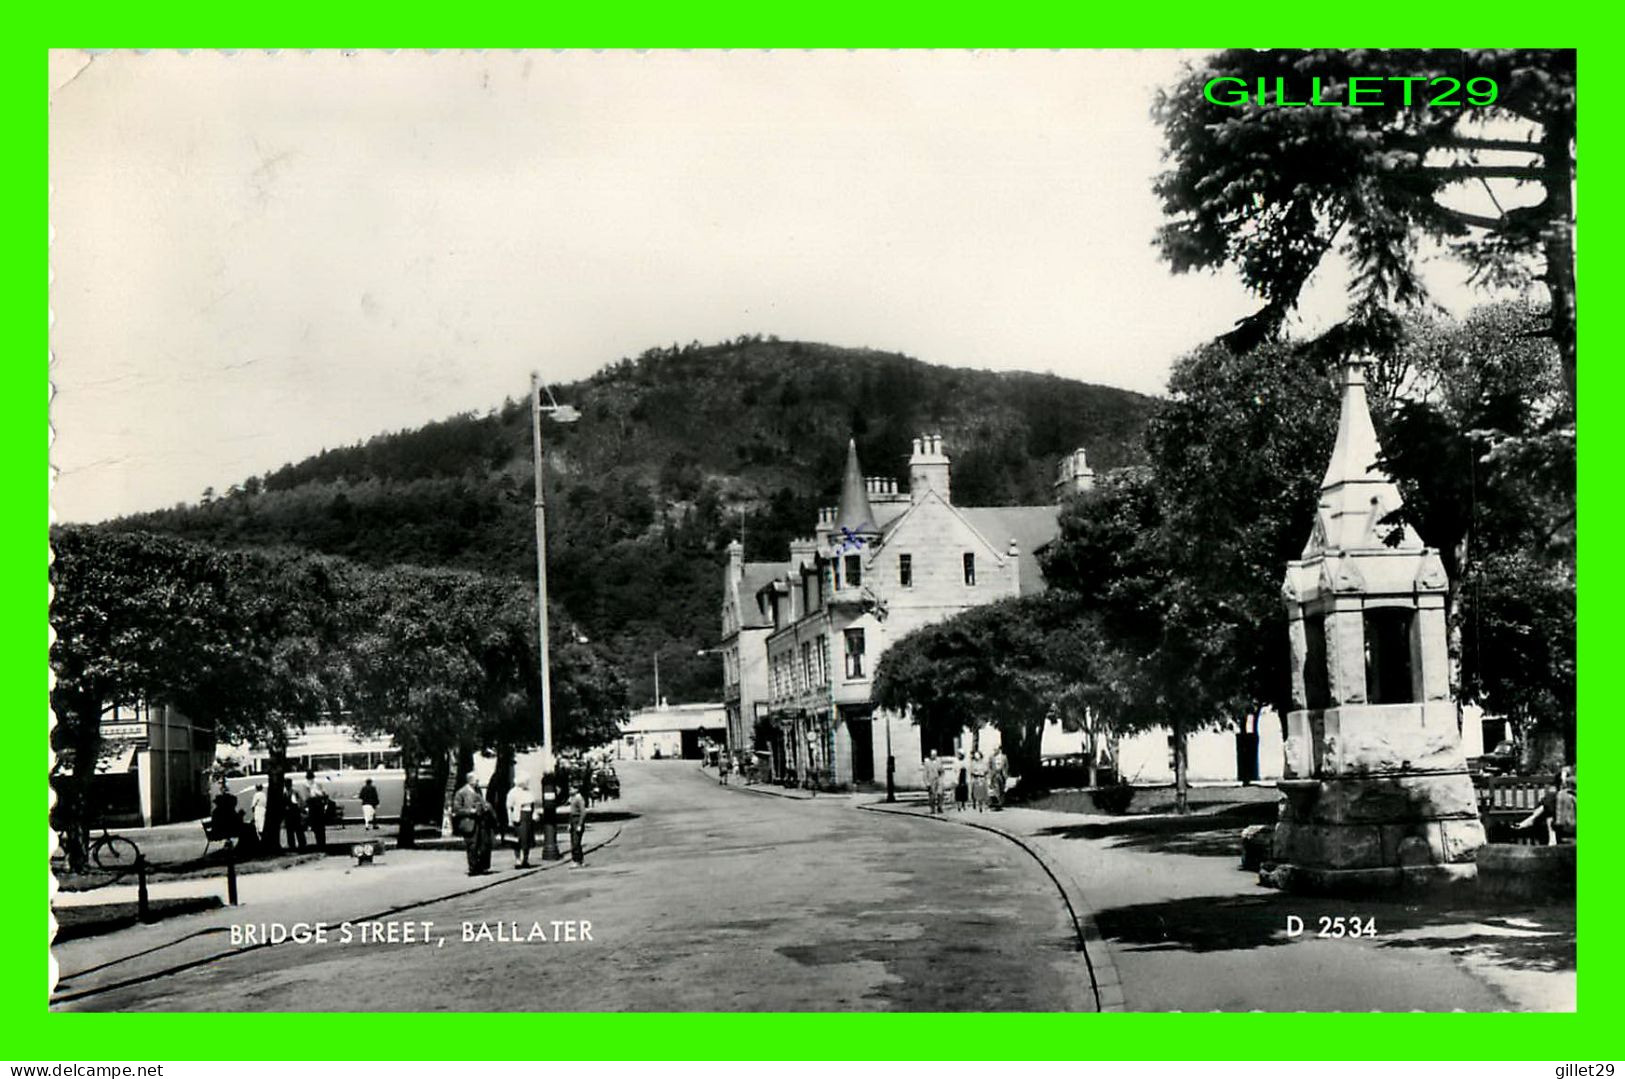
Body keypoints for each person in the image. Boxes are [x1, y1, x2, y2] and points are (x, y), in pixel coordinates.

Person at [1517, 767, 1576, 845]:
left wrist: (1566, 779)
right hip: (1563, 800)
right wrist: (1564, 774)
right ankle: (1552, 838)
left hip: (1572, 799)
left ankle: (1532, 819)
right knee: (1550, 805)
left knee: (1551, 799)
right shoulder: (1570, 770)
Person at [452, 772, 495, 875]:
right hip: (469, 823)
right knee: (472, 846)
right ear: (470, 780)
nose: (478, 783)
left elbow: (483, 803)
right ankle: (473, 868)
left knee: (483, 845)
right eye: (476, 780)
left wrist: (486, 807)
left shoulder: (478, 791)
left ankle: (481, 867)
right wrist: (469, 811)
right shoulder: (461, 793)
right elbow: (456, 809)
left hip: (481, 822)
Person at [506, 773, 536, 868]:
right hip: (519, 817)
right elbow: (509, 807)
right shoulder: (513, 792)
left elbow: (532, 805)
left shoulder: (529, 792)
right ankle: (518, 859)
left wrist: (534, 814)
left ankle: (525, 859)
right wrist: (510, 820)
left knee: (527, 839)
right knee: (518, 840)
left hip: (528, 817)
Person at [303, 770, 329, 851]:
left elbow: (308, 797)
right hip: (317, 808)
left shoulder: (309, 786)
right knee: (319, 828)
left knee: (318, 827)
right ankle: (321, 843)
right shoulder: (313, 785)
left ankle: (320, 843)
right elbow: (322, 795)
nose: (310, 780)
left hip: (315, 808)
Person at [210, 780, 243, 845]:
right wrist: (240, 816)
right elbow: (235, 822)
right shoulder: (229, 812)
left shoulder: (216, 812)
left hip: (221, 831)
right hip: (227, 831)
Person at [282, 777, 307, 851]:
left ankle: (302, 844)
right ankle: (292, 845)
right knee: (290, 831)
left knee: (298, 830)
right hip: (288, 814)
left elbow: (299, 802)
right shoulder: (284, 793)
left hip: (294, 813)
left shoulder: (294, 793)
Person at [568, 785, 588, 867]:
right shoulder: (572, 798)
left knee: (576, 842)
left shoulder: (579, 799)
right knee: (574, 842)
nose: (570, 790)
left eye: (571, 788)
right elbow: (571, 813)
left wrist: (580, 824)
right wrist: (569, 823)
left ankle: (577, 860)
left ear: (576, 789)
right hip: (573, 821)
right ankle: (578, 860)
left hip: (577, 820)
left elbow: (583, 812)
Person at [923, 750, 944, 815]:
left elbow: (942, 771)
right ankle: (932, 809)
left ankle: (940, 807)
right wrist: (927, 783)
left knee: (940, 794)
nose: (934, 756)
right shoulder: (927, 763)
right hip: (931, 780)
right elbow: (925, 774)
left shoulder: (938, 762)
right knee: (932, 795)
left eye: (935, 755)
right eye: (932, 755)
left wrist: (941, 777)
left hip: (938, 779)